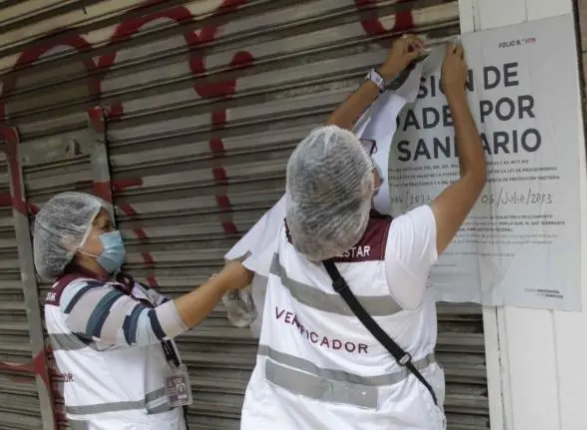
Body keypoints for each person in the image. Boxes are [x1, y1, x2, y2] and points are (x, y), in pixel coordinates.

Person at [239, 34, 486, 430]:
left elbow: (327, 143)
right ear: (366, 189)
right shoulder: (395, 250)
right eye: (367, 164)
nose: (372, 163)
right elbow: (473, 177)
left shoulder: (291, 229)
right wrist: (453, 91)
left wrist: (384, 73)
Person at [34, 192, 253, 430]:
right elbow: (151, 325)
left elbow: (175, 317)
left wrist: (220, 286)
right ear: (71, 242)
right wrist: (221, 282)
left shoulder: (119, 286)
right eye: (105, 228)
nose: (115, 234)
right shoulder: (77, 295)